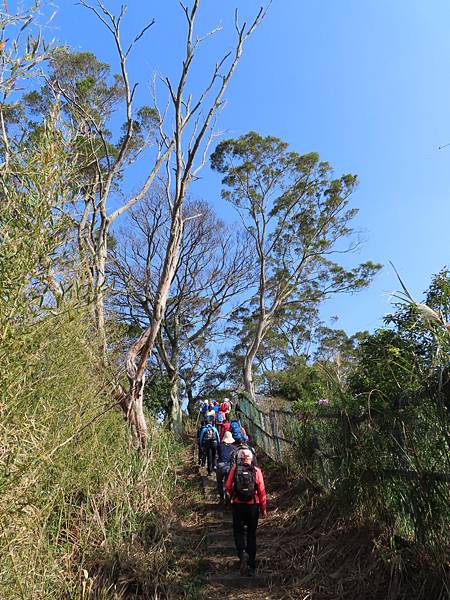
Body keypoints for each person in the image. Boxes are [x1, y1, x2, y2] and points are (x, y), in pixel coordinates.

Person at [226, 448, 267, 576]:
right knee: (251, 534)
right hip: (253, 506)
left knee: (238, 531)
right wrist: (263, 509)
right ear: (251, 458)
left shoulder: (234, 469)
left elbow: (227, 486)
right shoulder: (256, 471)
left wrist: (234, 495)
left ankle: (242, 552)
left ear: (240, 458)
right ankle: (251, 565)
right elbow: (261, 491)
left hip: (238, 505)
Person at [216, 430, 235, 502]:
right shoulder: (233, 448)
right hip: (228, 466)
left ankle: (221, 498)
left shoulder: (219, 446)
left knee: (219, 482)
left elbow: (217, 454)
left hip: (220, 465)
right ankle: (228, 498)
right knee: (228, 483)